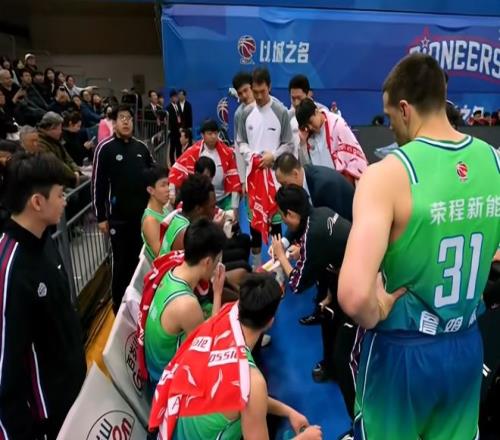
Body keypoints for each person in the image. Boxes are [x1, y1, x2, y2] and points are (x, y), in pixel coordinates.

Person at [338, 53, 500, 439]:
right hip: (465, 346)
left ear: (405, 109)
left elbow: (354, 297)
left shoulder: (386, 176)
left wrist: (376, 308)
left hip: (402, 353)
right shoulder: (494, 162)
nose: (392, 127)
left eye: (390, 116)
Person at [148, 273, 323, 440]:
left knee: (265, 411)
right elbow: (252, 394)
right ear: (270, 321)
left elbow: (251, 397)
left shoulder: (220, 319)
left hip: (172, 425)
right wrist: (305, 437)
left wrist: (289, 412)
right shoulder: (251, 382)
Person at [0, 152, 87, 439]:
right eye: (60, 195)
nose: (65, 201)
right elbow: (5, 371)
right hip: (46, 419)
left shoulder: (45, 240)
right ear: (37, 202)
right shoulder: (9, 269)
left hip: (73, 396)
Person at [271, 185, 357, 413]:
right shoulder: (321, 212)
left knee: (344, 358)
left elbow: (297, 284)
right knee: (326, 314)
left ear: (291, 214)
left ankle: (356, 417)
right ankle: (330, 366)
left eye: (283, 216)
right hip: (344, 276)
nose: (284, 222)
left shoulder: (313, 234)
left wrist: (281, 256)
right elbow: (331, 251)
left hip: (360, 284)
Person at [145, 218, 226, 390]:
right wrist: (218, 292)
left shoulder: (172, 269)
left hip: (156, 368)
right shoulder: (187, 305)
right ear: (207, 262)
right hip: (168, 382)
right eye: (217, 259)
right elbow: (207, 348)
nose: (218, 264)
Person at [92, 104, 154, 313]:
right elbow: (98, 184)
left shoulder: (141, 148)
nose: (126, 121)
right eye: (122, 118)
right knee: (121, 263)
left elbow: (153, 175)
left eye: (129, 117)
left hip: (143, 217)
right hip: (118, 219)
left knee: (141, 259)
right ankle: (119, 306)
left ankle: (143, 301)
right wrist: (101, 216)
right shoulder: (105, 149)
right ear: (114, 123)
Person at [236, 67, 294, 268]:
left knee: (276, 227)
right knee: (254, 226)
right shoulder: (245, 113)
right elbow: (240, 142)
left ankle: (278, 268)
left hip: (275, 181)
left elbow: (288, 143)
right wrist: (250, 156)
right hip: (253, 180)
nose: (259, 96)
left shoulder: (280, 111)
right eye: (255, 92)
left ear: (269, 87)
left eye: (262, 91)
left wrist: (273, 156)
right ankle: (256, 266)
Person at [168, 119, 242, 218]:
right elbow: (176, 170)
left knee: (230, 221)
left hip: (223, 199)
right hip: (201, 200)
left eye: (215, 133)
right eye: (210, 134)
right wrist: (172, 193)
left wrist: (234, 207)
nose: (213, 136)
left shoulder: (227, 153)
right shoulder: (192, 152)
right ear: (203, 135)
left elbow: (234, 181)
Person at [296, 99, 367, 185]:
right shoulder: (307, 135)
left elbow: (353, 157)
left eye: (311, 122)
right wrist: (303, 144)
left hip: (342, 183)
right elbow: (307, 168)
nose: (310, 127)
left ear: (316, 111)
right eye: (306, 126)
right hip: (321, 185)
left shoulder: (337, 124)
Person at [162, 173, 220, 254]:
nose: (216, 211)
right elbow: (207, 258)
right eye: (212, 207)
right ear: (198, 209)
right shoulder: (185, 235)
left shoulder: (180, 216)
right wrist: (217, 229)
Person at [288, 74, 327, 165]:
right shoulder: (288, 118)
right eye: (293, 98)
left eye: (299, 98)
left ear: (308, 94)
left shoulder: (322, 113)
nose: (296, 103)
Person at [37, 111, 84, 187]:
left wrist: (76, 170)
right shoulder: (41, 144)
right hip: (59, 181)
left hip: (70, 176)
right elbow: (57, 165)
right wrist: (74, 176)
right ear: (51, 128)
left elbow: (68, 158)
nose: (61, 132)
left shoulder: (55, 139)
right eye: (59, 129)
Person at [232, 71, 255, 190]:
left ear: (253, 87)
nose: (244, 96)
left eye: (246, 90)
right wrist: (242, 180)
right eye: (240, 93)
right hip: (250, 170)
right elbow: (238, 147)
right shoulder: (238, 114)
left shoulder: (271, 105)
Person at [142, 165, 170, 260]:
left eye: (168, 184)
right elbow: (162, 256)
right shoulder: (150, 221)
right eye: (163, 185)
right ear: (151, 190)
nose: (168, 189)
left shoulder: (164, 209)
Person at [167, 89, 182, 166]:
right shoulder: (168, 108)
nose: (176, 98)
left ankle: (179, 162)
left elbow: (180, 117)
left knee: (179, 147)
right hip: (173, 131)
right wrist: (176, 128)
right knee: (172, 148)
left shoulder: (178, 106)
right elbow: (170, 120)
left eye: (176, 97)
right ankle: (173, 163)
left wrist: (181, 127)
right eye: (174, 97)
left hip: (179, 131)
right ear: (171, 98)